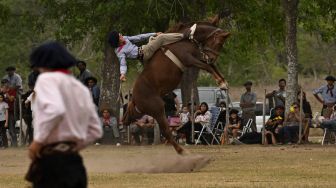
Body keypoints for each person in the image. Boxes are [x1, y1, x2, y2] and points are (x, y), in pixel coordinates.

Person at [25, 41, 103, 188]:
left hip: (52, 164)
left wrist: (38, 142)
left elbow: (56, 110)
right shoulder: (80, 88)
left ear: (43, 64)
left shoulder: (46, 79)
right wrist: (72, 147)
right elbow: (95, 130)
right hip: (75, 164)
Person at [108, 29, 192, 81]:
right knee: (162, 38)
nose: (121, 35)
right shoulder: (120, 52)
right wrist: (122, 74)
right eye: (119, 36)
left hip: (144, 48)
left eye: (120, 34)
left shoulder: (125, 38)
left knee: (153, 38)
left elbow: (139, 37)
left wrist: (154, 33)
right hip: (144, 53)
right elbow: (123, 64)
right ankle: (184, 36)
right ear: (117, 41)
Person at [1, 79, 17, 147]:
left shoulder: (12, 91)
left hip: (10, 112)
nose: (4, 84)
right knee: (2, 131)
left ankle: (14, 145)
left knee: (11, 129)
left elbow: (11, 99)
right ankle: (5, 144)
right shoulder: (2, 92)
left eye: (5, 83)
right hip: (2, 113)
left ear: (8, 83)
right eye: (3, 83)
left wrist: (6, 93)